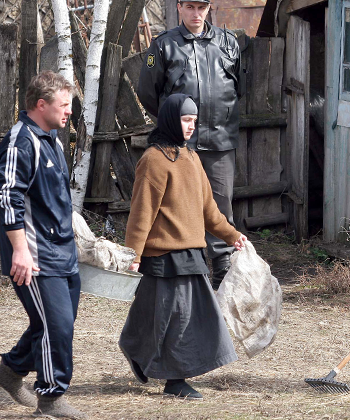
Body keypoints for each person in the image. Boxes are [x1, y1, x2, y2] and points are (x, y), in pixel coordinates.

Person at [119, 94, 247, 399]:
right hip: (163, 257)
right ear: (169, 119)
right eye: (185, 120)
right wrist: (133, 253)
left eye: (194, 121)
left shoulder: (191, 158)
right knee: (177, 320)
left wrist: (231, 235)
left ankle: (137, 351)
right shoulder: (153, 160)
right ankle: (175, 381)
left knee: (166, 317)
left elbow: (209, 210)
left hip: (192, 254)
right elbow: (141, 212)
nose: (191, 126)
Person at [0, 71, 86, 419]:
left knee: (56, 323)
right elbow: (6, 197)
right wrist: (20, 250)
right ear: (40, 104)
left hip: (63, 253)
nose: (69, 111)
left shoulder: (53, 140)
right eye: (64, 105)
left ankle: (11, 371)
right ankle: (51, 398)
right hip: (34, 256)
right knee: (55, 325)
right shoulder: (20, 142)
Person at [137, 0, 241, 289]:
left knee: (220, 210)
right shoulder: (163, 45)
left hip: (220, 142)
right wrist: (175, 128)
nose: (196, 14)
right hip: (180, 145)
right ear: (180, 7)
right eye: (191, 7)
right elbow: (147, 92)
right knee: (177, 207)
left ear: (209, 9)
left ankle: (222, 277)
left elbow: (236, 89)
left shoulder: (228, 43)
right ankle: (185, 274)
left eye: (202, 8)